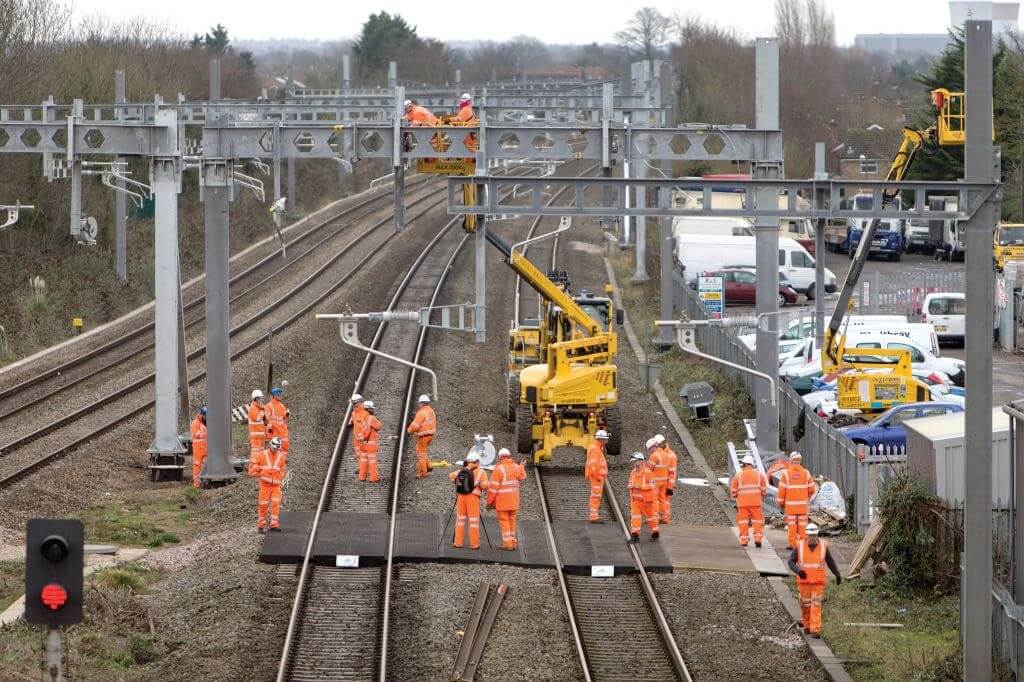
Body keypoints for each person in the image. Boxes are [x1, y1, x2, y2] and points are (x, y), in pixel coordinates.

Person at [788, 522, 842, 637]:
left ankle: (815, 630)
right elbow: (791, 561)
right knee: (805, 605)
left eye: (814, 535)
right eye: (810, 535)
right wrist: (798, 571)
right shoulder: (799, 546)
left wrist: (837, 574)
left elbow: (830, 562)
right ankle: (807, 625)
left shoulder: (823, 546)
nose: (812, 538)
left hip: (818, 582)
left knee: (816, 605)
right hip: (804, 582)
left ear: (817, 534)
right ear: (806, 535)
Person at [448, 452, 489, 549]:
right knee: (473, 521)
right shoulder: (481, 472)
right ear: (477, 461)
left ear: (468, 461)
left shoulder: (461, 471)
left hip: (461, 497)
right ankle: (474, 544)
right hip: (473, 497)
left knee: (460, 520)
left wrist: (457, 483)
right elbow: (486, 486)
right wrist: (479, 485)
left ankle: (458, 543)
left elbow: (451, 476)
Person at [487, 448, 526, 550]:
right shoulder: (516, 467)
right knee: (512, 520)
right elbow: (522, 476)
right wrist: (521, 466)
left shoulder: (498, 469)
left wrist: (489, 502)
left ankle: (507, 544)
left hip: (503, 502)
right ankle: (513, 542)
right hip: (514, 501)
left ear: (499, 457)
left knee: (504, 521)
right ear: (509, 456)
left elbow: (493, 488)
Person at [777, 451, 817, 549]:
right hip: (802, 507)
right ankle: (803, 545)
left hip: (790, 508)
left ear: (791, 461)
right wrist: (805, 496)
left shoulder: (786, 474)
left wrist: (781, 503)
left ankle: (792, 544)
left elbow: (781, 491)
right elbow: (812, 489)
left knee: (792, 526)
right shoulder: (806, 473)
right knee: (803, 526)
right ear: (800, 461)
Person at [729, 453, 767, 547]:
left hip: (742, 504)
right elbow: (764, 490)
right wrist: (760, 495)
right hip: (755, 503)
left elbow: (733, 491)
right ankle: (758, 538)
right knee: (757, 521)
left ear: (744, 464)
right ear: (752, 464)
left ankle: (744, 541)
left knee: (743, 522)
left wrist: (736, 496)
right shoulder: (759, 475)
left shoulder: (738, 476)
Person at [255, 437, 287, 533]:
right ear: (271, 445)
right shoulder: (262, 455)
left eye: (277, 448)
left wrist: (277, 477)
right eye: (275, 447)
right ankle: (260, 526)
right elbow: (254, 467)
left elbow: (282, 470)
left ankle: (274, 524)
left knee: (275, 504)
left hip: (275, 486)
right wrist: (262, 474)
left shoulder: (281, 457)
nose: (276, 449)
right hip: (265, 485)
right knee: (263, 505)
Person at [627, 452, 660, 542]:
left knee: (650, 518)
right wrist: (630, 486)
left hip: (646, 500)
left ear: (641, 461)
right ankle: (635, 535)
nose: (633, 463)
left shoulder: (648, 473)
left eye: (635, 461)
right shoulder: (633, 472)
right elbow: (630, 482)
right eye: (633, 461)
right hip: (635, 500)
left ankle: (655, 532)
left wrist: (641, 487)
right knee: (635, 518)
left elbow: (653, 485)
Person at [407, 394, 436, 479]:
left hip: (423, 436)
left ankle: (422, 473)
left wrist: (409, 430)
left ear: (421, 403)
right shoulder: (431, 411)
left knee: (421, 454)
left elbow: (415, 425)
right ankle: (428, 466)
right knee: (421, 451)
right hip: (430, 435)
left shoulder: (421, 412)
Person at [584, 430, 610, 522]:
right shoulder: (595, 449)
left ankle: (594, 516)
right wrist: (598, 476)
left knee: (596, 496)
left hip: (597, 476)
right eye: (605, 439)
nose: (607, 440)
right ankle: (593, 517)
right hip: (596, 477)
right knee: (595, 496)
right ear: (601, 439)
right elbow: (594, 465)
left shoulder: (597, 447)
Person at [653, 434, 678, 524]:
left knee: (665, 501)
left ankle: (664, 518)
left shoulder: (671, 456)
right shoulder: (658, 452)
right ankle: (659, 518)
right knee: (658, 500)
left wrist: (670, 487)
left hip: (666, 483)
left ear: (663, 443)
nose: (656, 446)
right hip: (659, 481)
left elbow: (672, 472)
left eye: (658, 444)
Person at [647, 438, 669, 525]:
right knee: (662, 499)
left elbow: (649, 469)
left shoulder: (654, 456)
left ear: (653, 446)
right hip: (664, 480)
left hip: (656, 481)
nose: (649, 451)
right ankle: (664, 518)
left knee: (654, 500)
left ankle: (655, 518)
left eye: (649, 449)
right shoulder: (665, 453)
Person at [358, 400, 382, 483]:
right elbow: (379, 426)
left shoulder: (360, 417)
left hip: (361, 443)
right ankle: (374, 478)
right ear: (369, 409)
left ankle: (362, 477)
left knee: (363, 460)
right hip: (370, 443)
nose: (373, 410)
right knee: (372, 461)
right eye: (372, 409)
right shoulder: (371, 418)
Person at [264, 386, 291, 454]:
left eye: (280, 394)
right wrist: (269, 433)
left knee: (285, 448)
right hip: (274, 432)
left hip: (282, 431)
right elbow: (267, 420)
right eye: (278, 395)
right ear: (274, 395)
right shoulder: (269, 406)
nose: (280, 396)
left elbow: (284, 417)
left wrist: (287, 414)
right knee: (275, 450)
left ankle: (282, 462)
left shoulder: (281, 405)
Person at [247, 389, 267, 477]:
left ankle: (258, 470)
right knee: (255, 455)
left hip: (261, 436)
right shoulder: (253, 408)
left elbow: (265, 421)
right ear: (255, 399)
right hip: (255, 436)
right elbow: (258, 418)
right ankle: (252, 471)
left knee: (260, 454)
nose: (261, 400)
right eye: (260, 398)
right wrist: (263, 410)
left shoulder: (259, 408)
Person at [189, 406, 208, 489]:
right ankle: (197, 484)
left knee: (204, 465)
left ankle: (204, 482)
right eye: (206, 416)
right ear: (202, 415)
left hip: (204, 448)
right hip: (198, 448)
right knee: (197, 465)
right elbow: (196, 435)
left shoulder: (204, 423)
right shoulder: (195, 423)